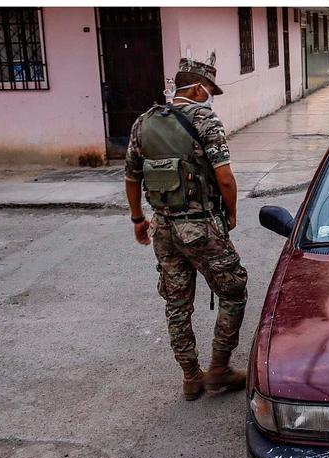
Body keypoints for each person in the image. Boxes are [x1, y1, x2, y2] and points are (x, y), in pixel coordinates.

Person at [125, 58, 248, 401]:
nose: (210, 98)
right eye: (209, 91)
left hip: (163, 228)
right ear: (197, 89)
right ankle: (220, 368)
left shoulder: (143, 123)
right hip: (200, 227)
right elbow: (224, 176)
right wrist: (232, 214)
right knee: (234, 289)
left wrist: (139, 220)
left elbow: (132, 177)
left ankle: (191, 377)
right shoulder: (205, 119)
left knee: (177, 303)